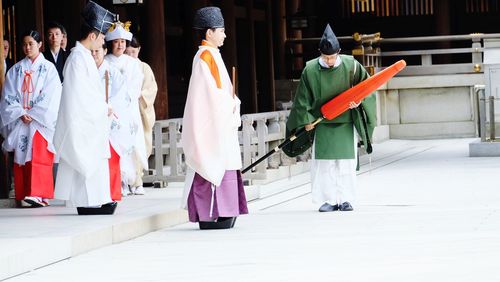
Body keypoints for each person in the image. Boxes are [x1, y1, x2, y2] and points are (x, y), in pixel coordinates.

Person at [285, 24, 377, 212]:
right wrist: (306, 120)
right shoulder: (310, 70)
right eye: (326, 57)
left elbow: (367, 88)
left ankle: (346, 199)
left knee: (346, 163)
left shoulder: (351, 66)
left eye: (332, 57)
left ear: (339, 52)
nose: (329, 61)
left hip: (346, 121)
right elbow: (302, 99)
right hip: (322, 122)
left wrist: (358, 102)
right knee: (324, 164)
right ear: (320, 53)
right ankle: (328, 200)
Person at [181, 6, 248, 229]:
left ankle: (224, 212)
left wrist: (231, 101)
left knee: (224, 164)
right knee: (212, 165)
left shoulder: (212, 56)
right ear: (209, 33)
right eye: (221, 30)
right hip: (212, 124)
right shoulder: (204, 58)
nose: (224, 35)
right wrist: (229, 103)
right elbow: (207, 96)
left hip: (221, 122)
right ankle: (211, 215)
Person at [53, 1, 118, 215]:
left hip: (92, 116)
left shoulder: (84, 58)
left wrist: (103, 107)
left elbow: (91, 92)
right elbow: (79, 96)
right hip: (82, 119)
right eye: (101, 37)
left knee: (95, 160)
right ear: (92, 36)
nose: (102, 41)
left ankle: (97, 199)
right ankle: (87, 203)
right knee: (86, 159)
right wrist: (101, 108)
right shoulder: (77, 60)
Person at [0, 30, 62, 207]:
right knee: (22, 156)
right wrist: (20, 112)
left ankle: (40, 194)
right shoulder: (15, 70)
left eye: (31, 44)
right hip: (21, 119)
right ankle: (26, 192)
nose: (27, 47)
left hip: (39, 121)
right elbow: (8, 95)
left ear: (40, 45)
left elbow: (51, 95)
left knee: (39, 156)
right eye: (25, 44)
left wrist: (33, 113)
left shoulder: (49, 68)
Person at [105, 21, 147, 197]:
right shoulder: (105, 61)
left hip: (129, 109)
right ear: (110, 43)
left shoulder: (132, 63)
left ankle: (132, 180)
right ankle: (118, 181)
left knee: (132, 144)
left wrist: (126, 98)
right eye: (116, 41)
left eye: (123, 41)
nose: (120, 45)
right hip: (113, 110)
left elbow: (136, 85)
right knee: (115, 144)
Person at [92, 42, 134, 202]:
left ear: (104, 51)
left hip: (111, 120)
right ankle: (98, 195)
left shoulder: (112, 72)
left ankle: (112, 193)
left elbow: (122, 95)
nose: (94, 54)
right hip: (93, 120)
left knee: (111, 158)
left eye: (97, 51)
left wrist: (109, 107)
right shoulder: (86, 72)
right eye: (92, 51)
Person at [125, 36, 158, 195]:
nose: (131, 55)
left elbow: (151, 89)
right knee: (126, 147)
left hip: (140, 111)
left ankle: (138, 181)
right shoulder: (121, 66)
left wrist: (139, 95)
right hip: (126, 112)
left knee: (142, 146)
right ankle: (126, 181)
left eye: (133, 51)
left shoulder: (144, 67)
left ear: (139, 50)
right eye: (128, 52)